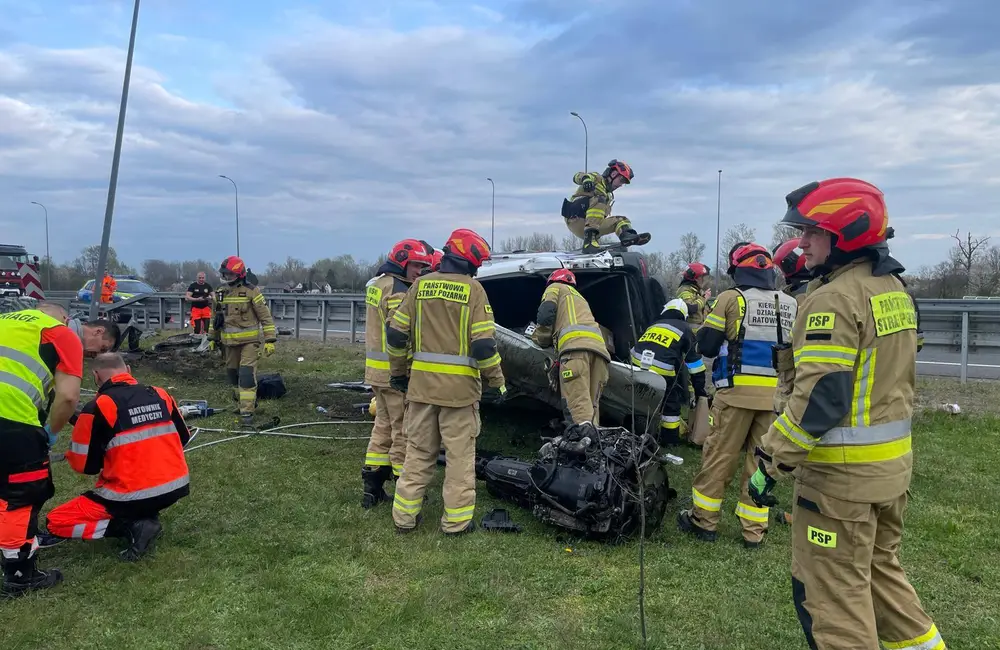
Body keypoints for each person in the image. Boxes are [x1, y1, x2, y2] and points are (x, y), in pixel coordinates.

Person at [747, 178, 946, 650]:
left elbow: (823, 397)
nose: (801, 243)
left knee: (834, 600)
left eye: (813, 232)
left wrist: (771, 460)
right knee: (883, 583)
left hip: (841, 485)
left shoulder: (833, 298)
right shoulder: (892, 288)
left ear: (846, 235)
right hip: (889, 474)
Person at [386, 228, 507, 535]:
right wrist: (498, 381)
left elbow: (396, 334)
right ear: (471, 263)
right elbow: (483, 346)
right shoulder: (474, 290)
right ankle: (455, 523)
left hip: (421, 389)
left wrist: (398, 373)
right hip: (460, 395)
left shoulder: (420, 286)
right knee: (459, 459)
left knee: (418, 454)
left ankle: (404, 519)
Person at [676, 242, 797, 549]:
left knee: (719, 457)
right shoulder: (791, 302)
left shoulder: (731, 298)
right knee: (760, 462)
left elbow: (708, 346)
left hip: (736, 393)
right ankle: (754, 530)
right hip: (775, 398)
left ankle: (703, 521)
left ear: (737, 270)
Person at [0, 303, 117, 596]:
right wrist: (50, 433)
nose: (97, 355)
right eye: (101, 347)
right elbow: (67, 397)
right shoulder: (61, 334)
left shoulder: (6, 322)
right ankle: (19, 576)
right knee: (20, 495)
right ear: (67, 319)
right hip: (11, 419)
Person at [39, 353, 190, 562]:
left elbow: (86, 466)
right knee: (137, 501)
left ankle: (133, 525)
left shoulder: (98, 406)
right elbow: (183, 437)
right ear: (128, 370)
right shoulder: (160, 394)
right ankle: (143, 515)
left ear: (95, 375)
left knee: (56, 521)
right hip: (175, 486)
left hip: (128, 494)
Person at [361, 239, 433, 508]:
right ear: (402, 261)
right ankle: (408, 494)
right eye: (416, 265)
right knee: (404, 431)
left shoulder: (376, 284)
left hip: (376, 373)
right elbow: (398, 334)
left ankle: (372, 489)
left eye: (423, 266)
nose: (419, 271)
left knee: (382, 427)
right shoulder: (399, 291)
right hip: (394, 374)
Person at [531, 269, 610, 427]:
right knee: (592, 411)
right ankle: (596, 447)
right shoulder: (580, 299)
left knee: (578, 408)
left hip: (575, 353)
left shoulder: (555, 288)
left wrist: (540, 338)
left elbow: (546, 315)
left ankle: (582, 448)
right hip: (600, 355)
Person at [208, 256, 277, 425]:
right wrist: (212, 337)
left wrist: (269, 340)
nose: (226, 277)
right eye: (224, 274)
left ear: (239, 274)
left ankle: (247, 412)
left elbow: (265, 317)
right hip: (228, 343)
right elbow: (214, 318)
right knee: (232, 374)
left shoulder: (252, 291)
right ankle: (243, 403)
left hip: (249, 343)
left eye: (229, 274)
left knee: (246, 375)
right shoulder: (220, 292)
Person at [629, 298, 707, 444]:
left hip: (636, 366)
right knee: (671, 404)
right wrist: (699, 391)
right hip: (661, 370)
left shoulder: (654, 324)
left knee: (641, 400)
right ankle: (669, 440)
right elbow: (694, 363)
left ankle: (635, 430)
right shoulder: (685, 328)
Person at [561, 159, 650, 253]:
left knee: (622, 220)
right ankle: (589, 242)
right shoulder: (597, 178)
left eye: (623, 183)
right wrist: (586, 180)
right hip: (575, 217)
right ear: (613, 174)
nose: (620, 185)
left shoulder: (608, 196)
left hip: (587, 226)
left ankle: (626, 236)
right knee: (600, 200)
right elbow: (576, 176)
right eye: (621, 180)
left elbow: (597, 218)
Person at [675, 263, 712, 331]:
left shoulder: (697, 290)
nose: (703, 280)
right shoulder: (684, 290)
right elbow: (690, 307)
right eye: (701, 277)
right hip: (691, 331)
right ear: (695, 278)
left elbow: (704, 309)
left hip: (701, 329)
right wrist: (704, 298)